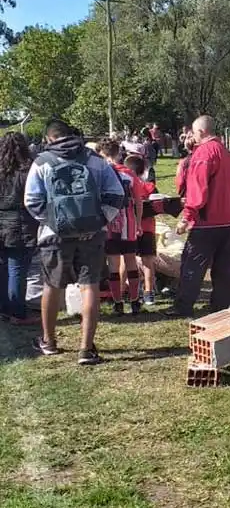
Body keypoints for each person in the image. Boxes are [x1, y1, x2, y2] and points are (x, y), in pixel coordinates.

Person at [25, 119, 126, 364]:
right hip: (92, 235)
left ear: (49, 139)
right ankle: (86, 349)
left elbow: (31, 200)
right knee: (89, 286)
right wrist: (99, 221)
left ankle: (49, 342)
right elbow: (117, 194)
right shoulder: (95, 160)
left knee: (52, 286)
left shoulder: (41, 162)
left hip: (54, 237)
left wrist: (55, 223)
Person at [168, 115, 230, 318]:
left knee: (192, 264)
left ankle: (183, 306)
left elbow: (197, 189)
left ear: (200, 132)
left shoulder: (204, 153)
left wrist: (187, 217)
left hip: (207, 220)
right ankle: (220, 306)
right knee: (223, 268)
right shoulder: (227, 153)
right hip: (228, 219)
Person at [98, 139, 145, 316]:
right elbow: (139, 202)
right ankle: (134, 301)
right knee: (131, 261)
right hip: (128, 223)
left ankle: (117, 302)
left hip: (109, 223)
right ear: (118, 154)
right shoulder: (129, 174)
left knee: (113, 264)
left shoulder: (102, 174)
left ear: (102, 154)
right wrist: (138, 222)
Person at [0, 132, 39, 325]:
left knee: (3, 268)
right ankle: (17, 312)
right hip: (20, 222)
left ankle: (5, 308)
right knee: (17, 268)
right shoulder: (27, 171)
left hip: (4, 220)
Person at [125, 152, 158, 307]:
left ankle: (122, 291)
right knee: (148, 261)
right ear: (143, 169)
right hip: (148, 228)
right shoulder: (149, 187)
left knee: (126, 261)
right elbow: (158, 205)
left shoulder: (124, 185)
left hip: (129, 227)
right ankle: (149, 292)